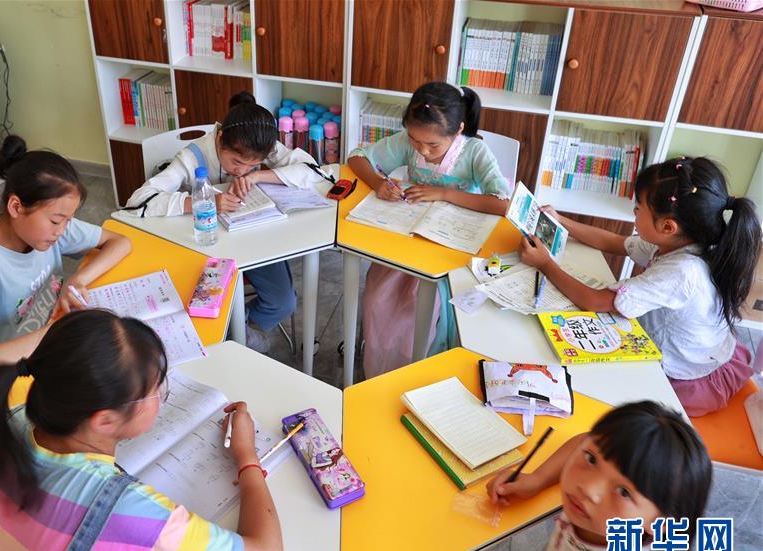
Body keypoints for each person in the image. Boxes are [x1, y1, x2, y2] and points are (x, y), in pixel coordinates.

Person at [0, 309, 283, 551]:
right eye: (155, 390)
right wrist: (247, 457)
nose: (162, 395)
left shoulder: (13, 425)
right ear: (103, 420)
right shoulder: (128, 514)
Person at [519, 157, 760, 416]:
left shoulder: (683, 272)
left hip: (689, 379)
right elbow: (614, 242)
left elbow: (594, 301)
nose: (634, 212)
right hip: (702, 351)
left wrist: (545, 264)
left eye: (638, 207)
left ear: (667, 226)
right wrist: (561, 220)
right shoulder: (683, 240)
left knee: (595, 390)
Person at [403, 401, 712, 551]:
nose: (587, 488)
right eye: (592, 460)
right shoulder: (604, 518)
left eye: (623, 492)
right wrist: (536, 478)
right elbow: (585, 440)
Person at [120, 91, 323, 352]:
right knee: (204, 307)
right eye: (236, 162)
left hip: (253, 240)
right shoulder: (192, 156)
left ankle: (237, 327)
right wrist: (202, 203)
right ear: (219, 139)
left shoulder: (262, 145)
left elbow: (314, 171)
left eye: (252, 165)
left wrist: (258, 176)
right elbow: (137, 202)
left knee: (283, 303)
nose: (241, 171)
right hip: (204, 246)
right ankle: (232, 332)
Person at [347, 81, 511, 378]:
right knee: (377, 298)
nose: (422, 150)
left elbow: (503, 203)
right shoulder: (408, 143)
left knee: (422, 308)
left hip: (450, 253)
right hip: (408, 242)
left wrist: (444, 194)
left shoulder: (475, 152)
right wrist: (378, 183)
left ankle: (414, 370)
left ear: (458, 130)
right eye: (414, 140)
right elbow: (357, 157)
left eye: (433, 145)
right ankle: (381, 367)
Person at [0, 135, 131, 380]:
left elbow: (121, 242)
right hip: (13, 366)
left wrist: (78, 280)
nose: (62, 230)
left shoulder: (49, 230)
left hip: (51, 339)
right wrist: (54, 332)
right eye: (57, 221)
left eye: (68, 221)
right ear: (16, 207)